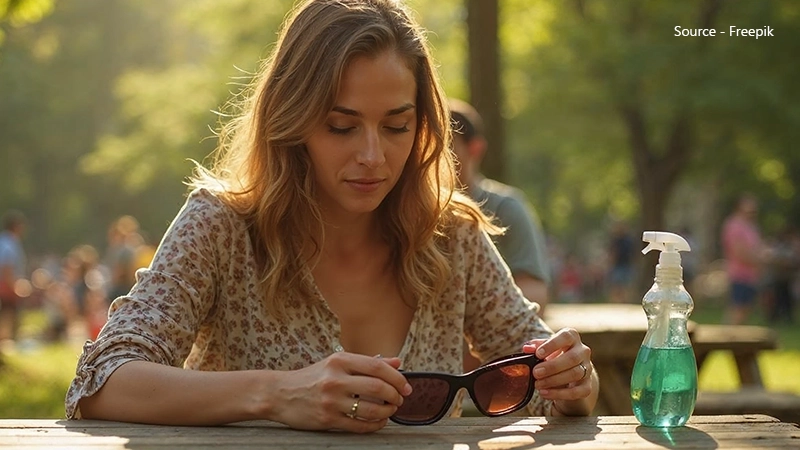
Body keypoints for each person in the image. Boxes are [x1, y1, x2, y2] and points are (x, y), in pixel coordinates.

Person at [66, 0, 599, 433]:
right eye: (342, 127)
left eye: (396, 127)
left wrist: (574, 384)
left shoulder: (451, 236)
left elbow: (542, 380)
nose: (373, 156)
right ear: (291, 121)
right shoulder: (220, 227)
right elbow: (100, 382)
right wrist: (276, 394)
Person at [448, 99, 552, 373]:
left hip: (495, 369)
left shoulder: (507, 208)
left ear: (475, 149)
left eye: (449, 147)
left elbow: (534, 294)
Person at [721, 194, 764, 325]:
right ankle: (725, 339)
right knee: (737, 310)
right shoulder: (734, 225)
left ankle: (735, 342)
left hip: (751, 276)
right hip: (739, 274)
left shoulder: (750, 226)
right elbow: (739, 252)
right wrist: (760, 260)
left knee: (745, 311)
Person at [0, 210, 26, 343]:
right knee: (7, 316)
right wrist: (14, 288)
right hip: (5, 287)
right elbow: (7, 268)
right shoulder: (10, 244)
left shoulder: (3, 241)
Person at [607, 220, 635, 303]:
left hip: (626, 265)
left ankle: (625, 301)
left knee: (626, 285)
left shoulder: (628, 240)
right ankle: (616, 301)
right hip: (618, 265)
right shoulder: (616, 240)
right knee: (617, 285)